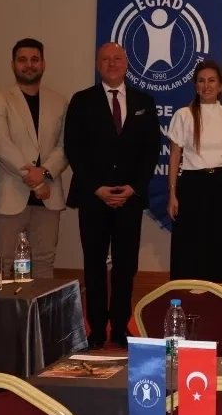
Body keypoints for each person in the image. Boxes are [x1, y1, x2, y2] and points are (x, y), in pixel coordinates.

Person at [65, 42, 162, 348]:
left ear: (127, 64)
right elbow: (73, 148)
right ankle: (96, 329)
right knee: (94, 265)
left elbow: (151, 150)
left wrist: (134, 187)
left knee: (125, 266)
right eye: (105, 59)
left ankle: (120, 326)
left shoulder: (144, 101)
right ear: (98, 65)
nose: (111, 64)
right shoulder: (81, 100)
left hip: (129, 199)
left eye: (117, 59)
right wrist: (97, 188)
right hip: (94, 198)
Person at [0, 39, 68, 281]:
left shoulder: (60, 101)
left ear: (43, 64)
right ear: (13, 64)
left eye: (34, 60)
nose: (29, 65)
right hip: (10, 195)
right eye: (22, 60)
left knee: (44, 262)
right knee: (2, 263)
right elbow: (0, 145)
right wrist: (35, 181)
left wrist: (45, 172)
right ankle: (1, 308)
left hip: (48, 198)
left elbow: (65, 146)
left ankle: (40, 307)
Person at [167, 60, 222, 282]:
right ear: (195, 85)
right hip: (192, 186)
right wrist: (172, 194)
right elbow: (175, 156)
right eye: (201, 81)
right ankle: (189, 296)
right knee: (190, 248)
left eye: (211, 80)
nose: (206, 85)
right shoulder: (183, 115)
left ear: (221, 85)